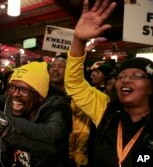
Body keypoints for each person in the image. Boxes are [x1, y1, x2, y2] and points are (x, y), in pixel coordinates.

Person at [64, 0, 153, 167]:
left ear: (151, 87)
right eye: (121, 76)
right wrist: (78, 40)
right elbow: (74, 84)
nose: (126, 79)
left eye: (135, 75)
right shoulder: (106, 109)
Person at [49, 54, 91, 167]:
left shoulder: (78, 97)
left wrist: (78, 158)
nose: (55, 69)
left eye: (61, 66)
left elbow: (82, 131)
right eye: (52, 65)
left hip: (69, 158)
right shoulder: (43, 93)